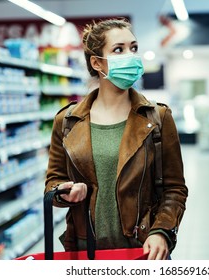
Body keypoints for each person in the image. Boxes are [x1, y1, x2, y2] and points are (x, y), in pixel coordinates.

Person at [45, 18, 188, 260]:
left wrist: (161, 231)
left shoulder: (158, 118)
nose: (130, 56)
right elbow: (53, 183)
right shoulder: (68, 122)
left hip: (142, 249)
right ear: (97, 63)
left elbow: (174, 189)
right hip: (85, 250)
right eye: (118, 49)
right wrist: (64, 192)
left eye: (133, 48)